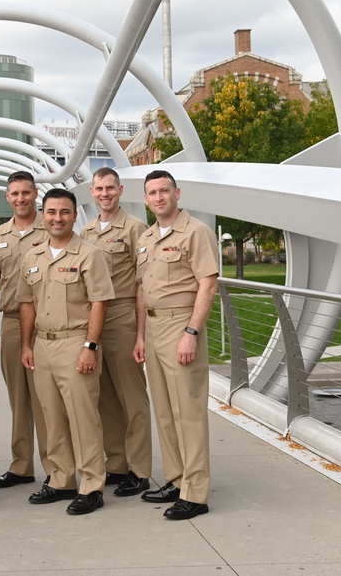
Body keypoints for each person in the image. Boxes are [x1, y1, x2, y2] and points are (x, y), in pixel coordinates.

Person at [19, 188, 115, 516]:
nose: (57, 218)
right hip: (42, 346)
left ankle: (91, 485)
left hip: (76, 344)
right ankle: (61, 479)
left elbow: (100, 302)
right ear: (42, 215)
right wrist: (26, 345)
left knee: (83, 417)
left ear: (75, 216)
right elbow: (26, 304)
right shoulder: (32, 257)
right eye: (51, 212)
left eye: (64, 212)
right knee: (52, 418)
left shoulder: (89, 254)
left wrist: (90, 347)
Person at [133, 169, 219, 521]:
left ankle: (195, 493)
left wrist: (192, 332)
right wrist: (140, 335)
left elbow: (208, 284)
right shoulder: (148, 237)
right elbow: (141, 289)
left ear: (177, 193)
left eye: (164, 191)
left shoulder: (196, 232)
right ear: (146, 199)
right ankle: (176, 478)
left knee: (189, 412)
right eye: (152, 192)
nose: (158, 197)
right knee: (166, 411)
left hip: (180, 325)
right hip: (152, 328)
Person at [79, 167, 153, 497]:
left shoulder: (136, 230)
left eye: (111, 188)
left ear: (120, 190)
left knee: (132, 398)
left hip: (121, 316)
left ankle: (139, 470)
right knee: (105, 398)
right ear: (92, 193)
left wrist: (140, 334)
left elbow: (142, 284)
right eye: (99, 188)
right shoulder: (86, 233)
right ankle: (118, 463)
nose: (105, 193)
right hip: (95, 319)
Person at [0, 171, 50, 489]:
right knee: (19, 399)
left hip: (47, 325)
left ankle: (56, 467)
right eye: (15, 193)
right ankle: (22, 466)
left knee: (47, 400)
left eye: (26, 192)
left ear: (36, 193)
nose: (21, 198)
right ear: (7, 197)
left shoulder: (52, 227)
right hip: (11, 323)